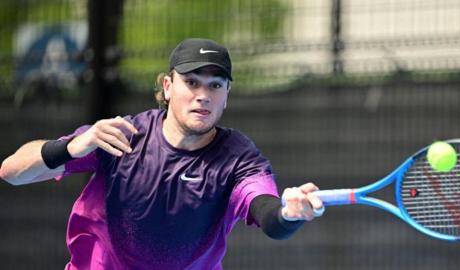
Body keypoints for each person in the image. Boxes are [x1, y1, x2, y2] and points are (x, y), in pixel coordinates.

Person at [0, 38, 324, 270]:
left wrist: (289, 214)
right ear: (168, 87)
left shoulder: (238, 159)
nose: (202, 95)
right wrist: (72, 147)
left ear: (227, 95)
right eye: (192, 82)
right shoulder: (122, 136)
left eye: (215, 85)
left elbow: (267, 212)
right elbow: (12, 172)